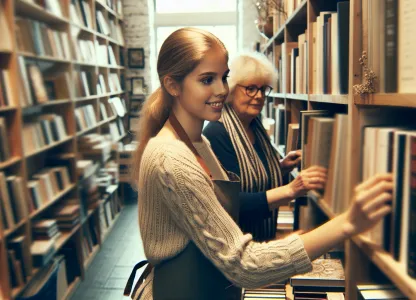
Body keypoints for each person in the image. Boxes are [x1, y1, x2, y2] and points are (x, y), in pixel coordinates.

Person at [127, 27, 393, 300]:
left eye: (224, 77)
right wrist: (347, 223)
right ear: (173, 85)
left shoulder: (196, 143)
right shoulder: (171, 158)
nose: (221, 90)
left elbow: (219, 228)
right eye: (207, 80)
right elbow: (243, 265)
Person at [203, 52, 326, 241]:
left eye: (262, 89)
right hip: (233, 244)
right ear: (231, 90)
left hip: (261, 236)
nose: (259, 96)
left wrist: (282, 167)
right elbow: (229, 203)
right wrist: (290, 190)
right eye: (250, 88)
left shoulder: (254, 125)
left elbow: (252, 176)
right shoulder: (216, 133)